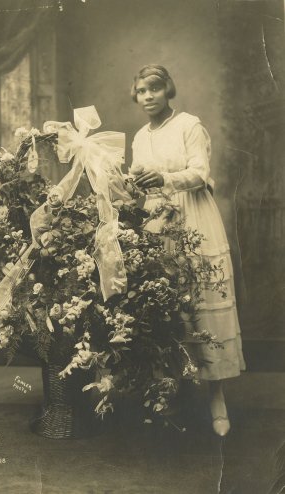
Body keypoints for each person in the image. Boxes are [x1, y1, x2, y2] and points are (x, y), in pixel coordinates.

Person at [130, 64, 245, 436]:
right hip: (156, 222)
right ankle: (167, 390)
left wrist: (165, 178)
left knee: (202, 302)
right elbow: (135, 180)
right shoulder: (139, 137)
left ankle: (217, 395)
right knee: (164, 303)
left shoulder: (189, 125)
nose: (147, 96)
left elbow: (199, 171)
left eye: (154, 89)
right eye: (141, 91)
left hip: (193, 216)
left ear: (168, 91)